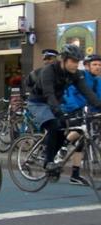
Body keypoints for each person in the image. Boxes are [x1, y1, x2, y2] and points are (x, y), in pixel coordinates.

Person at [27, 44, 101, 184]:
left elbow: (88, 93)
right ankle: (48, 162)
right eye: (73, 61)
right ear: (64, 60)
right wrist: (58, 112)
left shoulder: (76, 74)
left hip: (55, 102)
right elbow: (49, 94)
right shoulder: (49, 71)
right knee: (54, 125)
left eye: (77, 62)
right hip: (38, 102)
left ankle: (54, 159)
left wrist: (99, 106)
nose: (75, 65)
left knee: (63, 130)